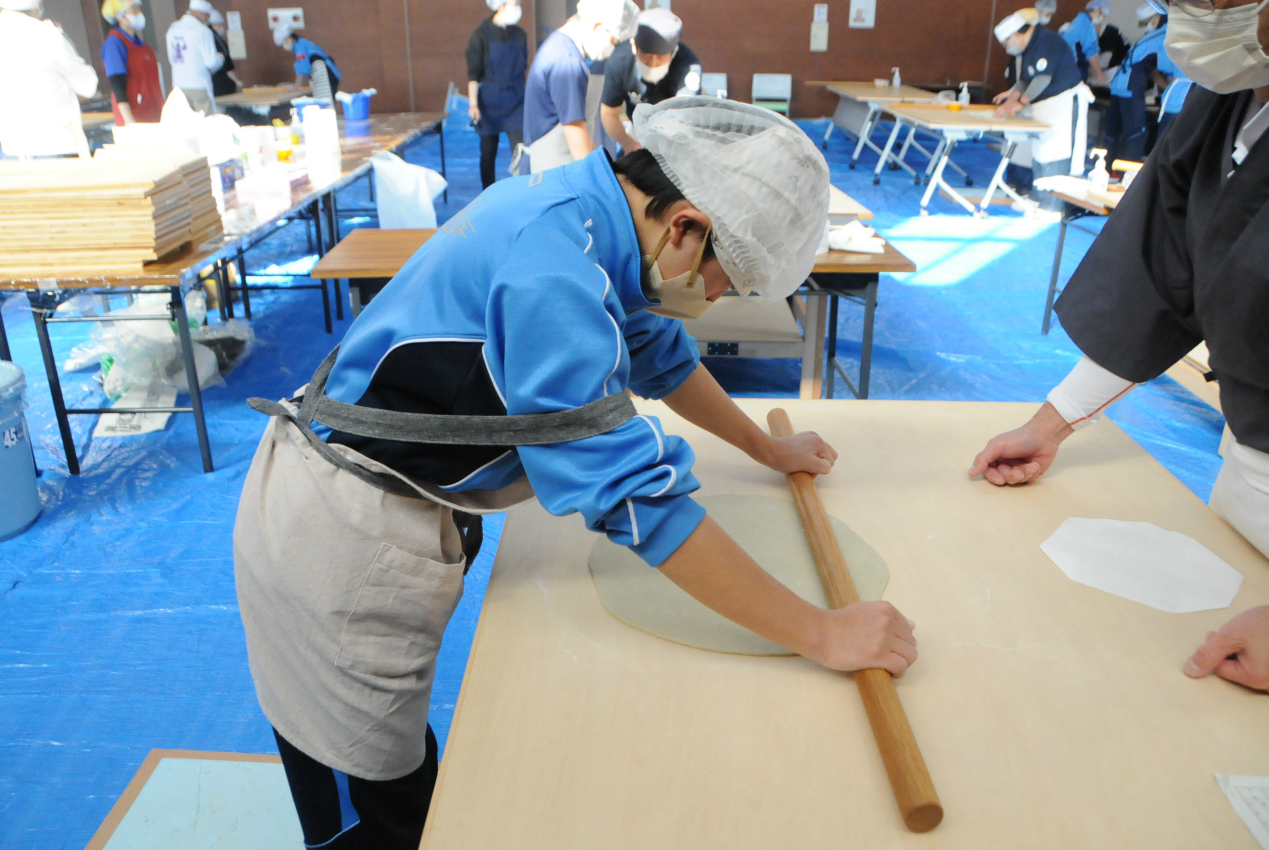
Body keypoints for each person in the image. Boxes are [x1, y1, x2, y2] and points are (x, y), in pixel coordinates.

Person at [233, 97, 918, 848]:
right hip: (334, 538)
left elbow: (658, 353)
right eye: (727, 280)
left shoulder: (590, 209)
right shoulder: (553, 270)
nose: (717, 299)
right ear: (685, 226)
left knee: (405, 774)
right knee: (376, 808)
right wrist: (823, 633)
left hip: (377, 495)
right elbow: (636, 500)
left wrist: (765, 448)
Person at [969, 0, 1269, 694]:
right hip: (1247, 469)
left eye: (1218, 4)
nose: (1198, 17)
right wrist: (1052, 424)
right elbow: (1158, 275)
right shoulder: (1224, 104)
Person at [994, 8, 1095, 213]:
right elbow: (1024, 81)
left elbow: (1042, 79)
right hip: (1046, 106)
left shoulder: (1046, 41)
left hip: (1065, 103)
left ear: (1016, 35)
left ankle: (1052, 205)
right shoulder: (1028, 48)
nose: (1007, 48)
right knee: (1041, 152)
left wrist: (1020, 103)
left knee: (1058, 153)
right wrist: (1009, 101)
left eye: (1006, 43)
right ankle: (1037, 196)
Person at [519, 0, 639, 173]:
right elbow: (575, 130)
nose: (611, 49)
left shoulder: (558, 44)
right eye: (613, 41)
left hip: (550, 166)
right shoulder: (568, 63)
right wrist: (596, 178)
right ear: (598, 27)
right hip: (552, 170)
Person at [0, 0, 97, 158]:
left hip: (13, 148)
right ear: (35, 6)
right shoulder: (48, 35)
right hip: (56, 145)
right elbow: (89, 85)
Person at [599, 7, 700, 154]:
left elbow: (684, 115)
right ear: (634, 46)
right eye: (646, 58)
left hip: (676, 129)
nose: (653, 63)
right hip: (635, 130)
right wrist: (629, 144)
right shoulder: (619, 62)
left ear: (673, 52)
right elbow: (609, 114)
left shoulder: (688, 66)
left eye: (661, 59)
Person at [466, 0, 528, 189]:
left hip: (516, 102)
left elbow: (523, 70)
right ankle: (488, 194)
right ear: (500, 6)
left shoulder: (520, 35)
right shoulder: (480, 35)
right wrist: (473, 104)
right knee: (488, 153)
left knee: (521, 151)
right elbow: (473, 74)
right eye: (514, 4)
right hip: (488, 103)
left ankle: (523, 190)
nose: (518, 8)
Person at [1103, 4, 1175, 162]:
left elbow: (1153, 70)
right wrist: (1172, 90)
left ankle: (1109, 168)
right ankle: (1129, 171)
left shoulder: (1154, 36)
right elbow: (1168, 73)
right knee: (1136, 132)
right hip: (1130, 87)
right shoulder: (1165, 36)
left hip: (1119, 86)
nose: (1144, 26)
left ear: (1157, 17)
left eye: (1145, 23)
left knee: (1113, 131)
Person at [100, 0, 162, 125]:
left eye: (139, 8)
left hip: (153, 114)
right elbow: (117, 85)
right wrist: (129, 121)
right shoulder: (114, 44)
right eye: (134, 9)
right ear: (120, 15)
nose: (139, 12)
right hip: (135, 118)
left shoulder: (143, 46)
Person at [165, 0, 222, 115]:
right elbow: (210, 62)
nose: (206, 20)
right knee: (207, 121)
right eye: (207, 17)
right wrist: (221, 57)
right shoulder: (202, 30)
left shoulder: (172, 29)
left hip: (178, 86)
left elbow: (172, 59)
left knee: (186, 121)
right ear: (202, 15)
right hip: (199, 84)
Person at [273, 25, 340, 99]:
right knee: (323, 102)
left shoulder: (300, 46)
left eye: (284, 42)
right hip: (326, 74)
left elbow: (303, 66)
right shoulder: (301, 43)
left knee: (326, 103)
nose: (284, 45)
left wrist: (296, 86)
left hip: (327, 74)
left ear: (289, 37)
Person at [1059, 0, 1111, 83]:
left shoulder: (1079, 19)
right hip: (1074, 68)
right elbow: (1090, 51)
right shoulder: (1086, 24)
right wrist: (1099, 74)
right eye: (1103, 16)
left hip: (1063, 66)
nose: (1102, 19)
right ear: (1098, 10)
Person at [208, 8, 242, 100]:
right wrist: (237, 81)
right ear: (213, 25)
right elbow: (227, 65)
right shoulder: (216, 38)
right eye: (219, 25)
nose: (221, 28)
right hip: (221, 85)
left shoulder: (203, 37)